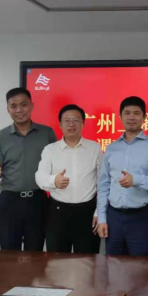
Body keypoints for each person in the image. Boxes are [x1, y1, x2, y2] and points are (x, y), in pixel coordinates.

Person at [0, 88, 57, 251]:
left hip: (38, 201)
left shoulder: (46, 133)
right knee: (9, 253)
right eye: (14, 106)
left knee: (35, 252)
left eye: (23, 105)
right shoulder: (0, 137)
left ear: (32, 106)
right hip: (10, 201)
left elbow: (56, 166)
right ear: (8, 109)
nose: (19, 110)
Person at [96, 96, 148, 256]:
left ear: (144, 117)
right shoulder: (112, 148)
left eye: (136, 113)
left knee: (142, 266)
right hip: (114, 217)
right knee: (113, 265)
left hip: (142, 217)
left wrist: (136, 180)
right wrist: (102, 219)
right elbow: (104, 186)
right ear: (120, 117)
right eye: (127, 113)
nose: (131, 117)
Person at [35, 104, 102, 254]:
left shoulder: (95, 148)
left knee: (87, 260)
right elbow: (39, 177)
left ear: (83, 123)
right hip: (58, 212)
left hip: (87, 213)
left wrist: (99, 212)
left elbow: (103, 183)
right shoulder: (50, 150)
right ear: (60, 124)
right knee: (57, 260)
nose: (71, 124)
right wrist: (54, 181)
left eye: (76, 120)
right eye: (67, 120)